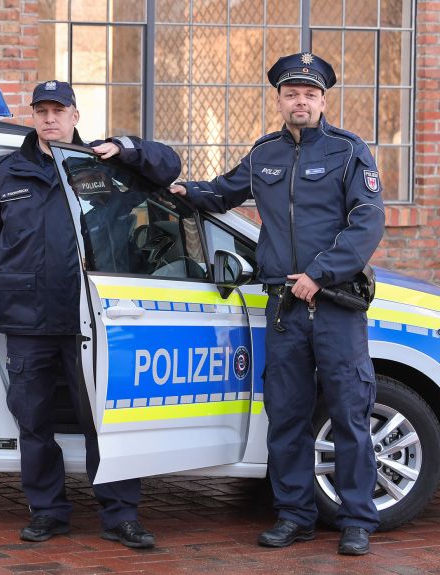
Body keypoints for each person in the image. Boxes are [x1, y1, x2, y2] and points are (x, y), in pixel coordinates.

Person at [170, 53, 385, 556]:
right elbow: (221, 194)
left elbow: (368, 221)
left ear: (323, 100)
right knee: (285, 417)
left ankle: (357, 519)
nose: (301, 101)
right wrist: (177, 189)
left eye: (310, 94)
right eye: (292, 94)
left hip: (334, 305)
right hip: (284, 309)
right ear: (281, 100)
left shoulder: (348, 151)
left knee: (350, 415)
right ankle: (294, 515)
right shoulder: (264, 152)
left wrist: (319, 273)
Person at [0, 80, 181, 548]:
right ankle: (47, 513)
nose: (49, 119)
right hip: (28, 320)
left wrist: (124, 148)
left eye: (58, 110)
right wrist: (18, 272)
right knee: (34, 421)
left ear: (75, 116)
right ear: (33, 117)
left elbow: (169, 167)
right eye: (40, 111)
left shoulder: (102, 167)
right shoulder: (8, 172)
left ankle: (120, 515)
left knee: (105, 419)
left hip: (95, 321)